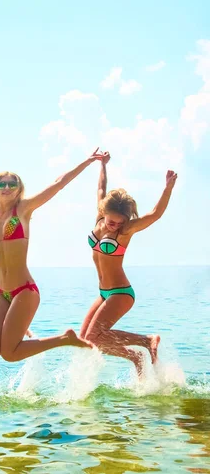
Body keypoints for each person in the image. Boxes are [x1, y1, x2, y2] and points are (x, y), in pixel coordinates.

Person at [0, 140, 100, 362]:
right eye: (3, 184)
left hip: (24, 290)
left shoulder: (24, 209)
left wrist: (86, 162)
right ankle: (22, 328)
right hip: (2, 292)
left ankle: (65, 338)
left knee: (10, 354)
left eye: (13, 183)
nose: (8, 187)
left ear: (19, 188)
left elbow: (58, 183)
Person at [80, 152, 177, 374]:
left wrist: (167, 188)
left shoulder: (125, 232)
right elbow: (101, 189)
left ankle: (146, 340)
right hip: (104, 293)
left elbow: (155, 215)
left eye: (119, 222)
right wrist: (102, 165)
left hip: (121, 293)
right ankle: (135, 358)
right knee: (86, 341)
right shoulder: (99, 218)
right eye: (111, 220)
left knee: (94, 337)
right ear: (104, 213)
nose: (114, 225)